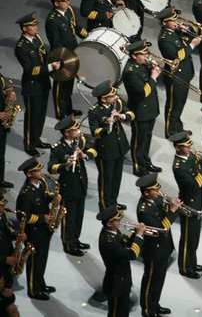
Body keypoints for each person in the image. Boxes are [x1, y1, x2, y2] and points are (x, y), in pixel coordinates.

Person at [47, 115, 96, 257]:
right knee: (69, 217)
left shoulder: (79, 141)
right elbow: (51, 168)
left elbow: (93, 150)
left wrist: (84, 155)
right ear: (67, 133)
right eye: (75, 129)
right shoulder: (57, 148)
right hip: (68, 186)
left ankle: (75, 239)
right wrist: (65, 165)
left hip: (80, 184)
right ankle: (68, 243)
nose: (78, 131)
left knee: (78, 216)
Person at [14, 12, 61, 156]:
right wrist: (50, 67)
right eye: (32, 26)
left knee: (40, 115)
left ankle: (37, 139)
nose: (36, 28)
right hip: (32, 86)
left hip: (43, 84)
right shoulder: (21, 47)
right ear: (24, 28)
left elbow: (43, 55)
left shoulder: (36, 39)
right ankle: (29, 144)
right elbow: (30, 70)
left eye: (35, 25)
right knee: (32, 117)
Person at [136, 173, 181, 317]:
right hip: (154, 251)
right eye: (154, 190)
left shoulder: (155, 199)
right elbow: (162, 228)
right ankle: (148, 309)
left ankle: (155, 303)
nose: (158, 192)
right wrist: (173, 210)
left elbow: (164, 208)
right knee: (150, 281)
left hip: (164, 248)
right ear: (146, 192)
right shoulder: (144, 210)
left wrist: (172, 205)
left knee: (159, 279)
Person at [15, 157, 59, 300]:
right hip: (33, 232)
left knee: (42, 259)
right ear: (29, 174)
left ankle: (41, 283)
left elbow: (42, 200)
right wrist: (42, 218)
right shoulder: (25, 194)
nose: (41, 172)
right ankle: (33, 290)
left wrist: (53, 199)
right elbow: (23, 217)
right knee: (35, 261)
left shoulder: (39, 185)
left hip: (43, 229)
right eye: (37, 171)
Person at [170, 131, 202, 278]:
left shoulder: (190, 156)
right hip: (189, 202)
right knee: (188, 238)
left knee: (194, 237)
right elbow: (195, 184)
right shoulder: (178, 166)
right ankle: (185, 268)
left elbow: (197, 162)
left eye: (189, 146)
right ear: (177, 148)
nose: (189, 148)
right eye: (186, 147)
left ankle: (192, 262)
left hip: (197, 200)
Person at [88, 80, 134, 211]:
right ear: (104, 98)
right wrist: (106, 127)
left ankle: (113, 202)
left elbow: (131, 114)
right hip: (106, 150)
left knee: (116, 178)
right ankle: (105, 206)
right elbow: (95, 132)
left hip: (119, 146)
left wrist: (121, 116)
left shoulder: (117, 104)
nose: (115, 98)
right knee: (106, 180)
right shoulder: (94, 112)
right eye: (112, 96)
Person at [156, 6, 202, 137]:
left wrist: (187, 31)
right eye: (172, 20)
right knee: (173, 104)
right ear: (164, 23)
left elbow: (191, 35)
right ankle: (170, 131)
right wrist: (192, 45)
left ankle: (178, 126)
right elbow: (176, 56)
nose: (176, 22)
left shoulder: (174, 31)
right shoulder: (164, 38)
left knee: (180, 102)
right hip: (175, 75)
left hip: (185, 72)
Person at [44, 0, 88, 120]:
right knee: (60, 87)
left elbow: (74, 26)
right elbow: (56, 43)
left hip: (71, 54)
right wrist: (63, 60)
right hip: (61, 57)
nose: (68, 3)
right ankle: (61, 112)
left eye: (68, 0)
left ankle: (69, 110)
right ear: (56, 3)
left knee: (68, 86)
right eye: (64, 1)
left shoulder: (68, 11)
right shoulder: (52, 20)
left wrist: (87, 35)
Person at [122, 41, 162, 176]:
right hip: (140, 110)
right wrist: (153, 77)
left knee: (147, 137)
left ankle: (145, 161)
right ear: (134, 56)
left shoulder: (141, 65)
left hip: (150, 108)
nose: (147, 56)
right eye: (143, 54)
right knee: (139, 139)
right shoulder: (130, 72)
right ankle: (138, 166)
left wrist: (154, 67)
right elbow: (142, 92)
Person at [97, 205, 145, 317]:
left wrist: (134, 234)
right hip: (116, 283)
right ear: (109, 223)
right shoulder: (109, 241)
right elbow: (132, 254)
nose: (120, 221)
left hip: (121, 279)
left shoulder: (113, 232)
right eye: (117, 220)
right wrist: (139, 236)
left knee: (123, 312)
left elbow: (125, 242)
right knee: (117, 313)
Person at [0, 190, 21, 317]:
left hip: (5, 269)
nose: (3, 208)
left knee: (10, 301)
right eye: (1, 206)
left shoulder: (2, 216)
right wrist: (5, 259)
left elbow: (7, 231)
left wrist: (17, 235)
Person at [0, 70, 19, 188]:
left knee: (1, 154)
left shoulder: (1, 78)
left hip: (2, 124)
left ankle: (0, 179)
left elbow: (5, 88)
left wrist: (10, 94)